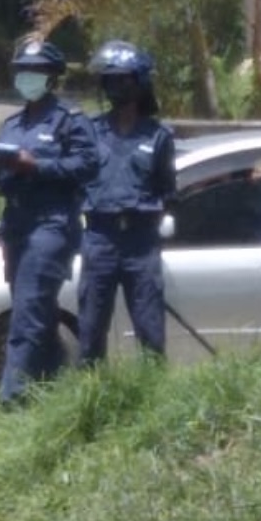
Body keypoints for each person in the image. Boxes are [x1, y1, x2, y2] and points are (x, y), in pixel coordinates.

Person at [0, 38, 98, 402]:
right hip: (16, 226)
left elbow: (87, 165)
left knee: (27, 314)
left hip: (51, 226)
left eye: (36, 72)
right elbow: (3, 181)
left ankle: (10, 400)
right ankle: (58, 389)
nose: (27, 78)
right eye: (23, 72)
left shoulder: (70, 120)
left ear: (52, 78)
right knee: (37, 315)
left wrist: (37, 165)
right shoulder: (11, 125)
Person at [77, 40, 176, 363]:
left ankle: (150, 398)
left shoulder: (158, 136)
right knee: (90, 331)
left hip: (141, 241)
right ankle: (91, 399)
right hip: (100, 238)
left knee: (150, 332)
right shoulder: (90, 131)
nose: (115, 86)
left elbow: (167, 188)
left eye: (123, 79)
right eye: (109, 80)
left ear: (139, 83)